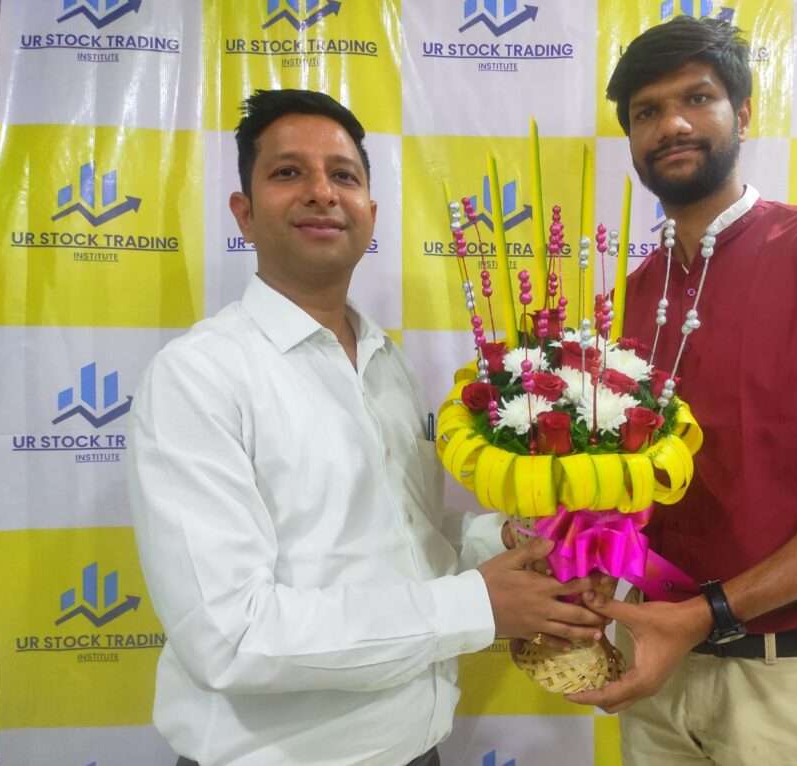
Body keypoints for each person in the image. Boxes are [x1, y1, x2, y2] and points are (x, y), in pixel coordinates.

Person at [127, 88, 606, 766]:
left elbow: (409, 540)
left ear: (370, 214)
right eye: (288, 172)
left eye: (343, 175)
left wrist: (504, 540)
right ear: (244, 212)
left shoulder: (386, 364)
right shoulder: (198, 377)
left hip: (420, 749)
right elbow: (230, 638)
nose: (322, 192)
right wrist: (477, 606)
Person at [567, 17, 797, 766]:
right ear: (631, 140)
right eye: (647, 111)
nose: (672, 125)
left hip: (787, 681)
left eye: (697, 98)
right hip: (654, 669)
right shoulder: (627, 299)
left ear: (743, 112)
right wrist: (569, 554)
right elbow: (620, 490)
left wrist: (707, 613)